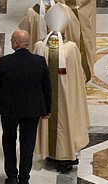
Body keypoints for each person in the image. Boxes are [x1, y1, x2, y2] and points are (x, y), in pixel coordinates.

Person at [0, 29, 50, 184]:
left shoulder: (5, 61)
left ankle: (11, 177)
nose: (10, 43)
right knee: (27, 143)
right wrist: (46, 109)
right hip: (32, 109)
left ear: (16, 43)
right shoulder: (39, 61)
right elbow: (46, 87)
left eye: (11, 40)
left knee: (9, 140)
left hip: (9, 109)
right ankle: (24, 180)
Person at [32, 9, 89, 171]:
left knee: (47, 121)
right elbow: (78, 74)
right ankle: (65, 155)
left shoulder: (39, 46)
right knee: (66, 121)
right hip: (66, 96)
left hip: (44, 95)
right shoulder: (70, 48)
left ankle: (49, 152)